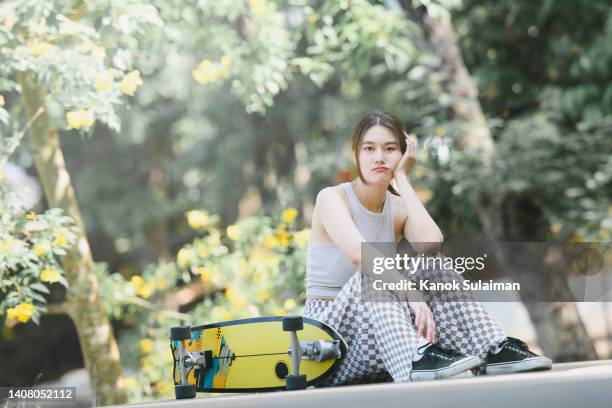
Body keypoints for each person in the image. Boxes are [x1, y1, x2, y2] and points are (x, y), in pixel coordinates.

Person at [304, 111, 552, 386]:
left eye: (390, 149)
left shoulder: (397, 206)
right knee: (373, 269)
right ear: (356, 154)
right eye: (369, 149)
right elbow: (358, 255)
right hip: (329, 338)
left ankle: (490, 349)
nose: (379, 158)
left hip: (379, 338)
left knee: (432, 264)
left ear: (404, 154)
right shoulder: (332, 198)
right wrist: (410, 292)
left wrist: (403, 180)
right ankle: (415, 357)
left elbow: (431, 243)